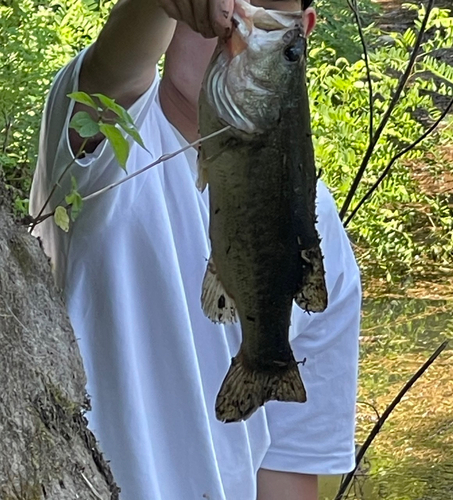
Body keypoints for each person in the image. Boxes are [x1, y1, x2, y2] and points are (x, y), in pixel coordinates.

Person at [29, 0, 361, 498]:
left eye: (264, 7)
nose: (232, 13)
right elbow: (116, 66)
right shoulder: (108, 135)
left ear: (302, 31)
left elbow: (288, 467)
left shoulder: (321, 229)